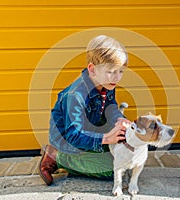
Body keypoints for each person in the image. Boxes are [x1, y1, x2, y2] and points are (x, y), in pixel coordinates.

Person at [39, 35, 131, 185]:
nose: (117, 77)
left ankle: (98, 150)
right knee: (110, 170)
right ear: (92, 70)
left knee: (123, 155)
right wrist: (106, 138)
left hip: (90, 123)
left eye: (121, 71)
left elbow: (110, 106)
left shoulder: (107, 83)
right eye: (111, 71)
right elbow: (74, 135)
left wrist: (118, 119)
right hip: (70, 140)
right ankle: (56, 156)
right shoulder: (76, 95)